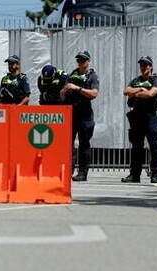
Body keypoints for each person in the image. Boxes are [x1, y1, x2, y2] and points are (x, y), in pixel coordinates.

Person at [122, 56, 157, 183]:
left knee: (154, 146)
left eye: (146, 65)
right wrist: (140, 90)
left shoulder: (155, 80)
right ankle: (135, 174)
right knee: (136, 147)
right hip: (137, 116)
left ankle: (156, 174)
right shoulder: (136, 80)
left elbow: (151, 94)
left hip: (150, 116)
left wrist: (135, 94)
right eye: (141, 65)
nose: (143, 67)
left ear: (151, 67)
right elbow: (126, 91)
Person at [61, 50, 99, 182]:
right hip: (72, 112)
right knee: (67, 143)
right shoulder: (72, 74)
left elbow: (94, 93)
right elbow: (62, 94)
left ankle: (83, 172)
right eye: (78, 60)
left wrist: (78, 88)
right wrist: (64, 90)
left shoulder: (92, 76)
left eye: (83, 60)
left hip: (85, 113)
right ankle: (68, 170)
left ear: (88, 61)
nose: (80, 62)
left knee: (84, 143)